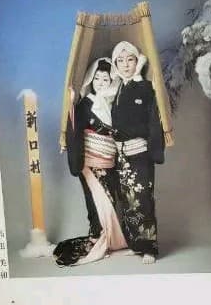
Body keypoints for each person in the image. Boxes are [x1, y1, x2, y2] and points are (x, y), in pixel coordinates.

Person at [54, 58, 127, 266]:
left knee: (111, 200)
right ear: (90, 79)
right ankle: (98, 235)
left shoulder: (116, 101)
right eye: (97, 78)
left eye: (105, 79)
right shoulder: (86, 103)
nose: (100, 82)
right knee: (94, 200)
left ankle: (111, 237)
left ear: (112, 80)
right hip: (90, 161)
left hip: (110, 160)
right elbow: (75, 127)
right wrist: (71, 102)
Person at [110, 41, 165, 264]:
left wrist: (153, 149)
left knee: (143, 199)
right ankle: (135, 244)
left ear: (138, 62)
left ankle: (149, 248)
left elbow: (152, 121)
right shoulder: (118, 88)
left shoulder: (145, 87)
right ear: (115, 64)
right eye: (120, 61)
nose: (125, 65)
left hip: (140, 152)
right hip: (121, 155)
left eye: (130, 59)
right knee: (127, 200)